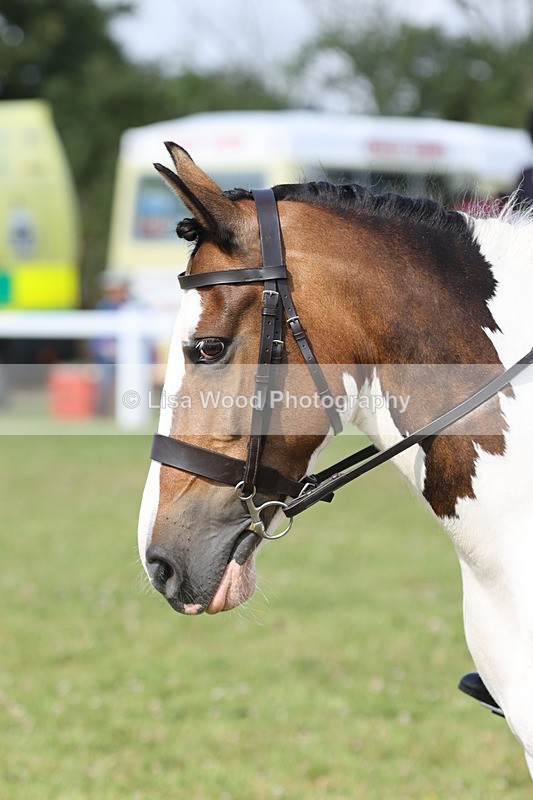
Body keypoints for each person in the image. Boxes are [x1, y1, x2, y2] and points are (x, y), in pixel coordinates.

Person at [89, 273, 130, 415]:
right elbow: (96, 337)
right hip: (105, 358)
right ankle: (103, 412)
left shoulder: (132, 306)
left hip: (128, 357)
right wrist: (103, 349)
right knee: (104, 383)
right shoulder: (102, 307)